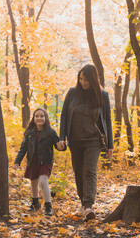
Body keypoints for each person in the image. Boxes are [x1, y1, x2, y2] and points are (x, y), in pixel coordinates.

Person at [57, 64, 113, 221]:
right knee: (79, 172)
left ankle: (88, 206)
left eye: (86, 79)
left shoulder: (103, 95)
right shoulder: (73, 93)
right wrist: (62, 138)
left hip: (93, 141)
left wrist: (110, 145)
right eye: (80, 79)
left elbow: (107, 120)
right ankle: (83, 204)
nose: (83, 82)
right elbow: (64, 116)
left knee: (89, 171)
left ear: (93, 79)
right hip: (75, 140)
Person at [14, 108, 63, 216]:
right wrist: (17, 161)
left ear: (46, 118)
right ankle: (35, 204)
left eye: (42, 116)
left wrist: (62, 147)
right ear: (34, 118)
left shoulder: (51, 132)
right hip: (33, 161)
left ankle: (48, 206)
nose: (39, 118)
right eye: (37, 116)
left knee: (43, 182)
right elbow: (23, 148)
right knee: (33, 183)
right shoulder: (29, 132)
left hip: (46, 161)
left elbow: (58, 145)